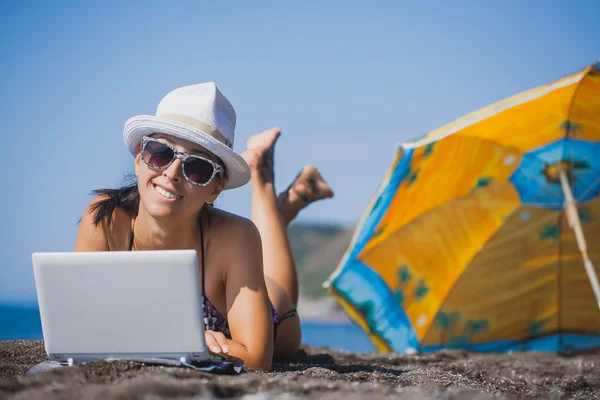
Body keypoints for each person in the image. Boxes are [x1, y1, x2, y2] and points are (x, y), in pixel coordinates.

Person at [74, 82, 333, 371]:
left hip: (275, 315)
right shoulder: (104, 219)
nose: (171, 173)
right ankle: (281, 209)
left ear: (216, 189)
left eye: (197, 168)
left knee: (277, 288)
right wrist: (183, 341)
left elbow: (257, 359)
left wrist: (180, 341)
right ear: (138, 158)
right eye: (160, 152)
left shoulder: (235, 237)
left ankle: (263, 179)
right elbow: (82, 324)